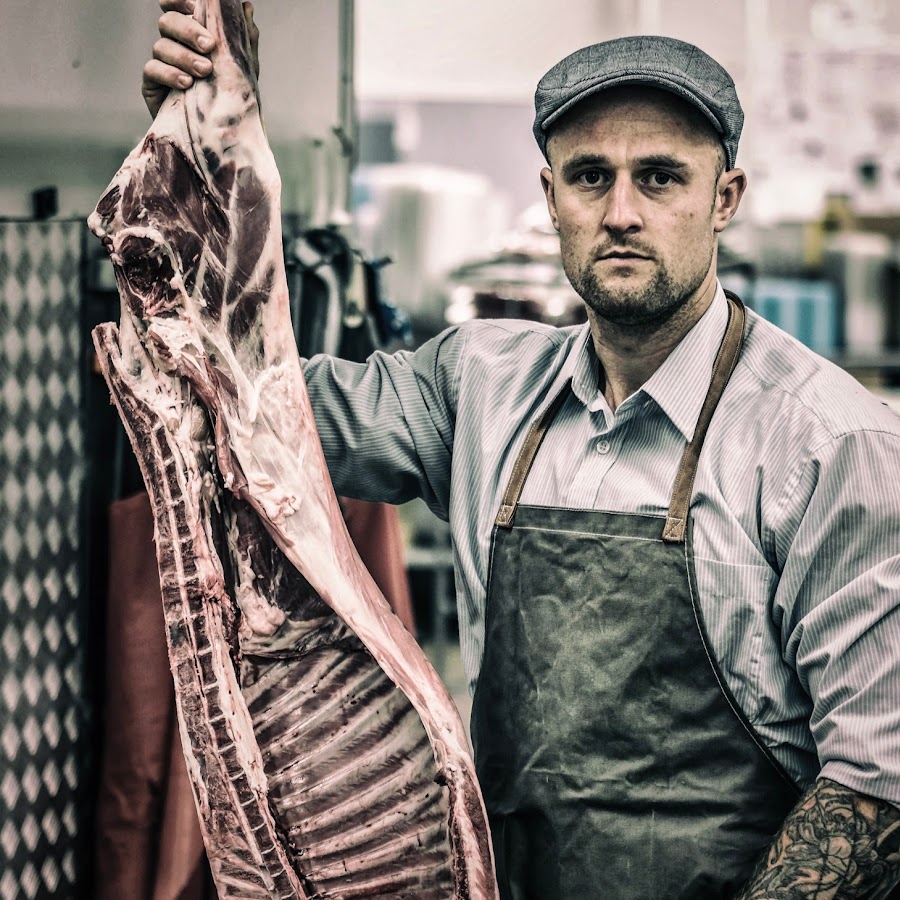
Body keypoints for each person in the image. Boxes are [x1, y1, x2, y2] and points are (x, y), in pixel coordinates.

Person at [143, 4, 900, 897]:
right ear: (550, 198)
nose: (622, 213)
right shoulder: (479, 386)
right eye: (590, 177)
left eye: (660, 178)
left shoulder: (831, 445)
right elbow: (234, 395)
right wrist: (199, 146)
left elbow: (878, 786)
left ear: (724, 199)